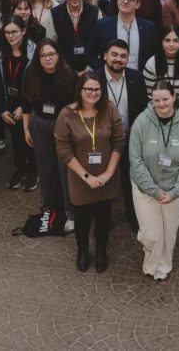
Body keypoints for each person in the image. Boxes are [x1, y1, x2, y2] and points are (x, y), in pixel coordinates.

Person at [55, 71, 125, 273]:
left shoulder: (109, 109)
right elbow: (64, 150)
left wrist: (108, 173)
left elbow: (119, 142)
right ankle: (83, 251)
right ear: (80, 90)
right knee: (83, 219)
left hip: (106, 177)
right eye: (89, 89)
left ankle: (101, 250)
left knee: (104, 218)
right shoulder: (66, 115)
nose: (93, 93)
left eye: (97, 89)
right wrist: (86, 177)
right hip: (80, 179)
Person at [129, 81, 179, 280]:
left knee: (169, 234)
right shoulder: (141, 122)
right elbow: (135, 160)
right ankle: (150, 260)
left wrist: (177, 191)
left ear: (174, 97)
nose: (161, 104)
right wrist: (154, 191)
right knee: (151, 235)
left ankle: (163, 265)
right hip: (145, 188)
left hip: (174, 189)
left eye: (165, 99)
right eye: (157, 100)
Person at [23, 39, 78, 230]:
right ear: (38, 58)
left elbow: (76, 103)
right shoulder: (32, 74)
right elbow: (27, 103)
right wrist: (26, 128)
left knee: (65, 168)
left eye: (51, 54)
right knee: (45, 168)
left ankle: (70, 212)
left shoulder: (69, 75)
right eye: (43, 55)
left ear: (58, 55)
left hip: (63, 125)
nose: (47, 58)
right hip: (39, 125)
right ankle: (48, 207)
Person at [94, 39, 146, 232]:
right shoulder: (94, 79)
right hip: (104, 142)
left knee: (130, 181)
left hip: (130, 139)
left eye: (123, 56)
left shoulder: (136, 78)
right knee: (105, 182)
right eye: (114, 54)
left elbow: (142, 111)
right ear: (105, 56)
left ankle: (132, 215)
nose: (118, 59)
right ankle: (103, 219)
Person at [0, 16, 37, 191]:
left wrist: (23, 106)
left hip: (27, 105)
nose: (10, 36)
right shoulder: (0, 54)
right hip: (9, 104)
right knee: (16, 139)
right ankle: (20, 168)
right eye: (7, 32)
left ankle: (34, 170)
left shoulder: (33, 53)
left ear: (23, 31)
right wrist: (2, 109)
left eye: (14, 32)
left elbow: (36, 84)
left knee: (30, 138)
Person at [143, 24, 179, 113]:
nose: (171, 44)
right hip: (158, 115)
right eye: (167, 40)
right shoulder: (151, 63)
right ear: (161, 41)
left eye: (175, 41)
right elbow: (150, 97)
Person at [51, 0, 99, 71]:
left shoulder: (95, 12)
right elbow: (51, 44)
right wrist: (63, 68)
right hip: (63, 69)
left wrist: (89, 68)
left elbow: (99, 42)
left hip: (90, 69)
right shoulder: (54, 13)